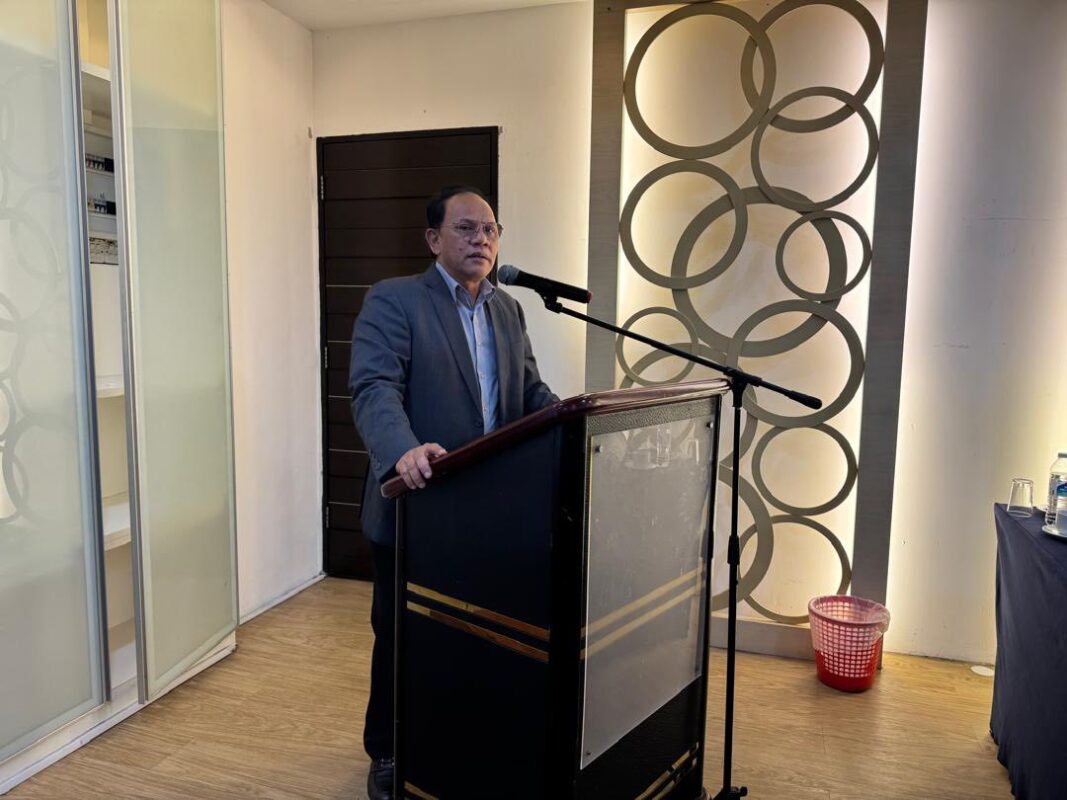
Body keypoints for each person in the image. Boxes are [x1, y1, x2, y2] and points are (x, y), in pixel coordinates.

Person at [348, 185, 558, 800]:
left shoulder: (508, 309)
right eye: (466, 228)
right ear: (433, 238)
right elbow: (374, 387)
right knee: (401, 637)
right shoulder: (396, 300)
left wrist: (573, 417)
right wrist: (404, 450)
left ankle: (460, 741)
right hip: (417, 505)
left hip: (489, 514)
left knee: (474, 636)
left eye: (490, 230)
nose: (481, 240)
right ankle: (389, 750)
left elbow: (530, 394)